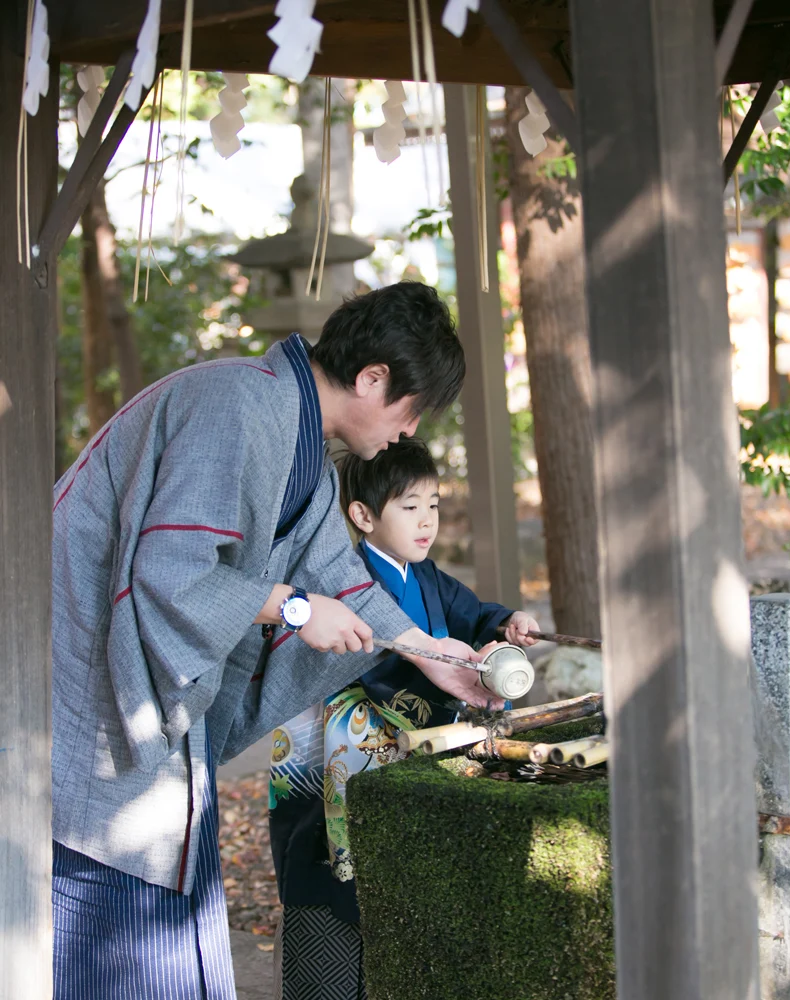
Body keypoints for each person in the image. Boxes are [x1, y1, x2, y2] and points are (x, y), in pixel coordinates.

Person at [51, 282, 501, 1000]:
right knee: (114, 898)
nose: (409, 430)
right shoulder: (238, 404)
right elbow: (172, 571)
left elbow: (340, 577)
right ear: (372, 378)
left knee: (168, 878)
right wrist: (293, 610)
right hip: (87, 674)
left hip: (139, 694)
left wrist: (436, 655)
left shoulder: (298, 442)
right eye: (411, 408)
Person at [268, 437, 539, 999]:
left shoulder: (430, 578)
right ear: (362, 515)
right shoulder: (346, 576)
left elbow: (476, 615)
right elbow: (369, 660)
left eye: (434, 505)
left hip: (406, 751)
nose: (426, 521)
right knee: (335, 877)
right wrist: (440, 669)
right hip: (346, 754)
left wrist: (508, 622)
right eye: (409, 506)